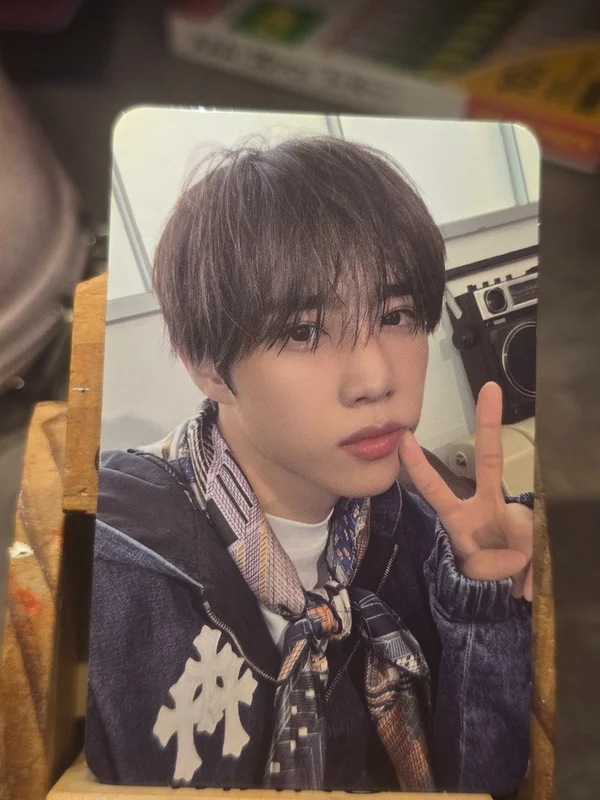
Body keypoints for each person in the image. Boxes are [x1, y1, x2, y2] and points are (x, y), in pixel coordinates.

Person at [86, 136, 533, 795]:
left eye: (395, 315)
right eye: (304, 331)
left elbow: (481, 782)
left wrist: (481, 601)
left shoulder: (421, 521)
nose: (375, 378)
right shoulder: (107, 572)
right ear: (208, 366)